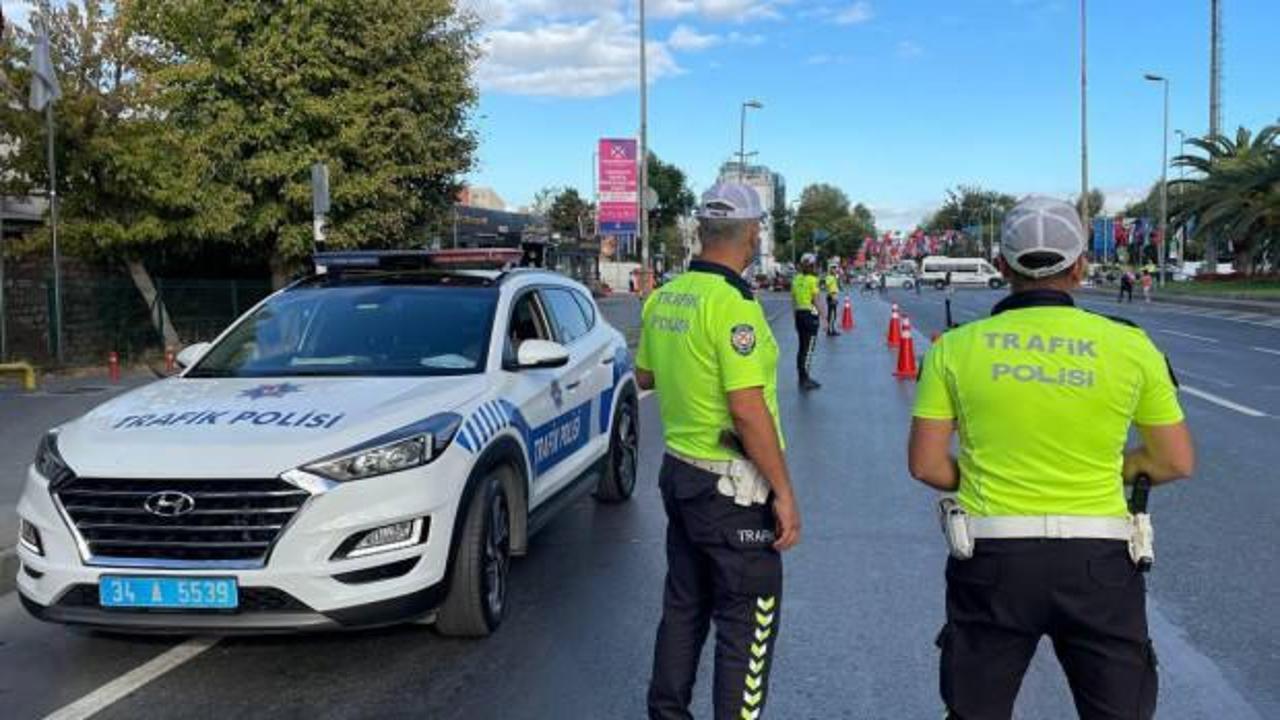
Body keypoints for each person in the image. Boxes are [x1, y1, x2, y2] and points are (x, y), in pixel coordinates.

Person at [908, 196, 1195, 720]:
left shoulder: (955, 348)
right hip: (1100, 565)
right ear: (1081, 266)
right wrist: (1108, 469)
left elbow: (927, 465)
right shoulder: (1130, 346)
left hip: (993, 561)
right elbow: (1174, 461)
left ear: (1002, 267)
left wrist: (991, 470)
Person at [637, 182, 802, 720]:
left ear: (702, 232)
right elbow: (747, 410)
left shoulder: (665, 297)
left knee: (684, 608)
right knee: (746, 623)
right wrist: (783, 492)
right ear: (752, 234)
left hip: (680, 472)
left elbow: (645, 374)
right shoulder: (733, 307)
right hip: (731, 488)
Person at [791, 254, 822, 389]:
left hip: (799, 314)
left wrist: (795, 317)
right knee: (808, 348)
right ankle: (805, 379)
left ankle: (802, 377)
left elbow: (793, 300)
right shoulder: (812, 280)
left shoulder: (796, 279)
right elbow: (816, 300)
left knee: (801, 348)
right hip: (810, 314)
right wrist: (825, 317)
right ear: (811, 266)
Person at [823, 266, 841, 336]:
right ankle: (830, 330)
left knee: (833, 315)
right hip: (831, 296)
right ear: (830, 270)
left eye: (835, 269)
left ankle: (832, 329)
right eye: (834, 269)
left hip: (833, 296)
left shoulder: (833, 277)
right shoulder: (829, 277)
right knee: (832, 315)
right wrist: (832, 296)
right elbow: (827, 285)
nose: (835, 270)